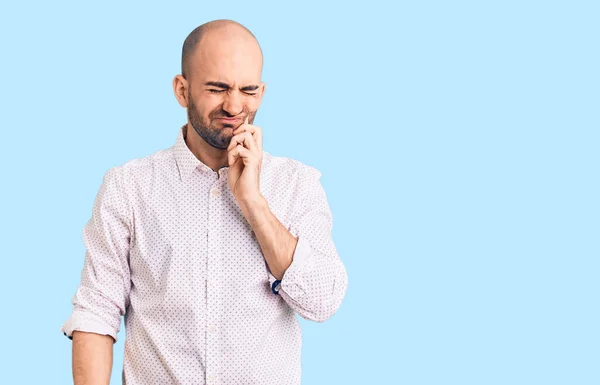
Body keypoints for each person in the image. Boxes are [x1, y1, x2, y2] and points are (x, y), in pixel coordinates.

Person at [61, 19, 348, 385]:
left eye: (248, 89)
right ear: (182, 90)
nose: (234, 105)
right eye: (217, 88)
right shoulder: (129, 187)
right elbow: (96, 312)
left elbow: (322, 302)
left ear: (261, 92)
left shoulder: (297, 184)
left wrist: (253, 202)